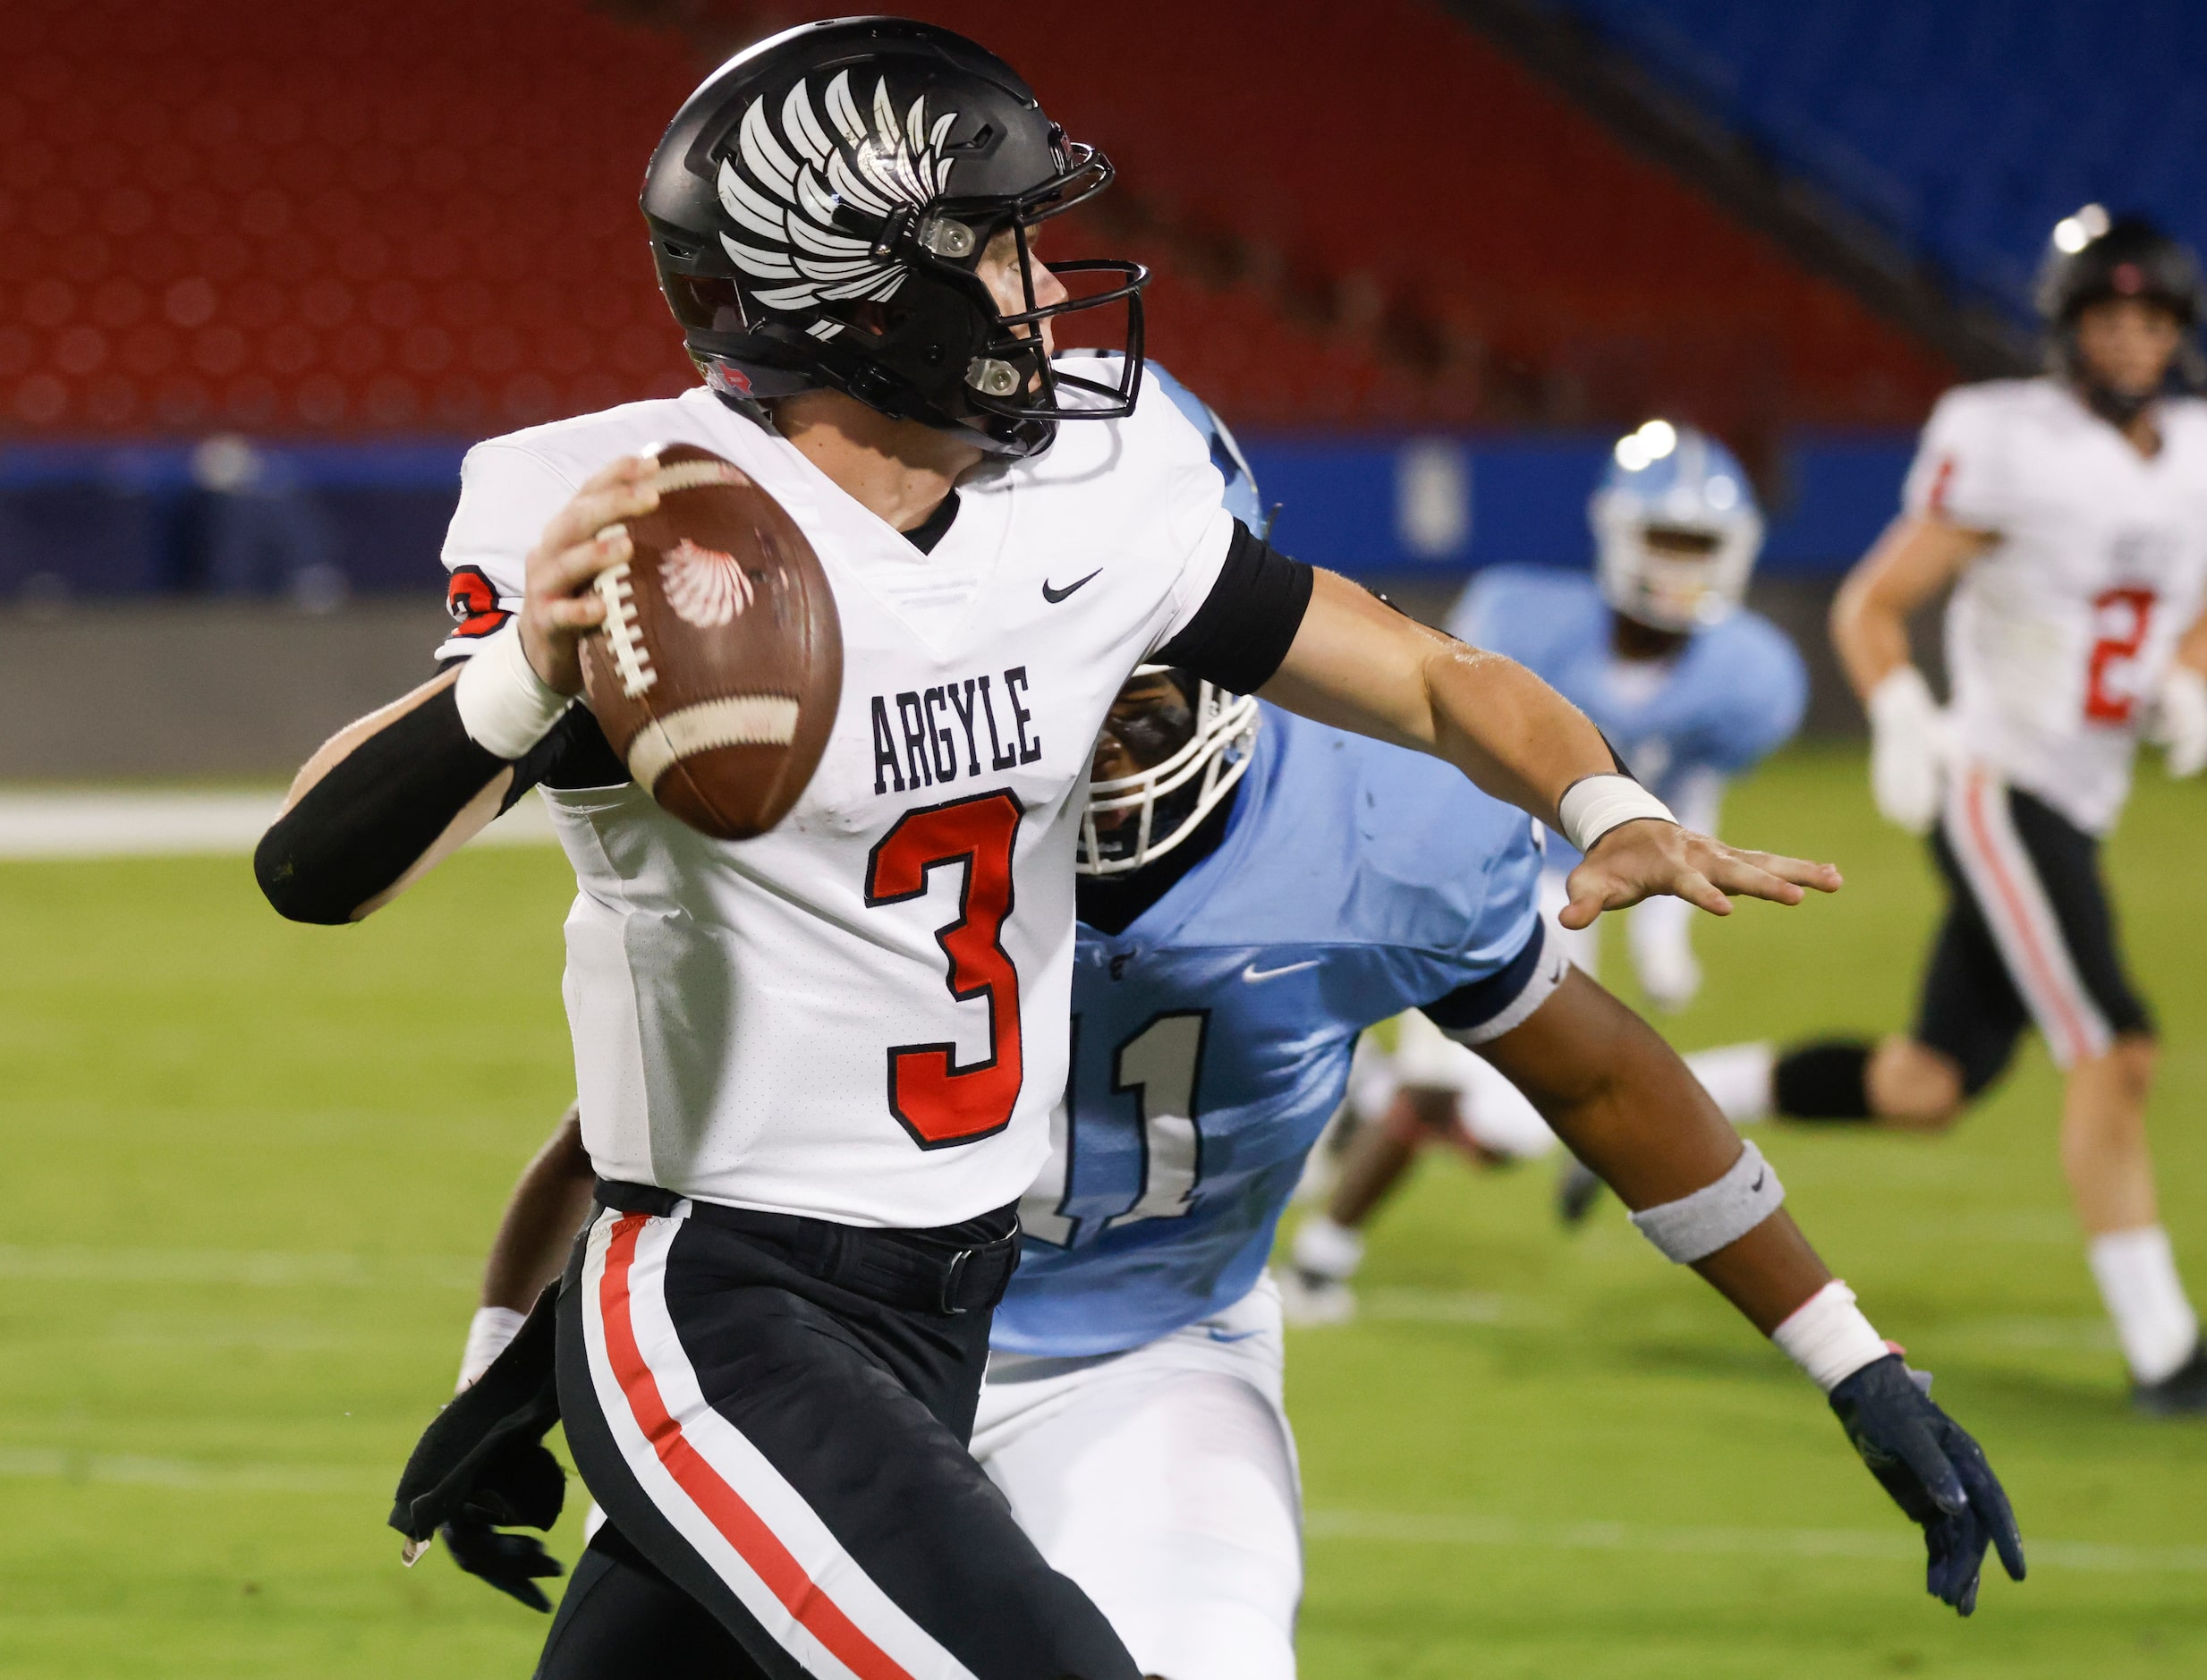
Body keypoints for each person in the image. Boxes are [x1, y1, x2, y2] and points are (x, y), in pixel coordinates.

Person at [255, 20, 1839, 1676]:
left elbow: (1430, 675)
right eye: (994, 245)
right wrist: (525, 673)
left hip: (947, 1305)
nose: (1037, 286)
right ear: (858, 293)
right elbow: (315, 862)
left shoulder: (1092, 489)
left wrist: (1607, 804)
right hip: (730, 1303)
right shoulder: (649, 526)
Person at [429, 380, 2021, 1667]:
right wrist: (507, 1354)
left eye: (1147, 667)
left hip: (1142, 1358)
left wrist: (1847, 1354)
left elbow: (1598, 1077)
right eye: (1074, 671)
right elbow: (659, 1118)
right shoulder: (882, 778)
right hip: (831, 1343)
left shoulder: (1375, 831)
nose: (1107, 727)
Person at [1661, 210, 2207, 1417]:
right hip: (1996, 783)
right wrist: (1903, 714)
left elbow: (2182, 609)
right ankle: (2166, 1351)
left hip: (2081, 791)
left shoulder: (2193, 454)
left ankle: (1670, 1098)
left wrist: (2184, 679)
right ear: (2064, 327)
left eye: (2146, 317)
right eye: (2104, 316)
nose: (2127, 339)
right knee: (2113, 1047)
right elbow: (1871, 604)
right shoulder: (2003, 436)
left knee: (1926, 1084)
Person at [1290, 422, 1806, 1314]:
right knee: (1459, 1086)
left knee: (1501, 1130)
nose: (1679, 566)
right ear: (1617, 533)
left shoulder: (1744, 676)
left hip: (1565, 891)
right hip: (1462, 849)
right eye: (1664, 540)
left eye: (1698, 545)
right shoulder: (1524, 615)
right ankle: (1321, 1259)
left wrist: (1664, 936)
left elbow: (1679, 803)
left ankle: (1359, 1094)